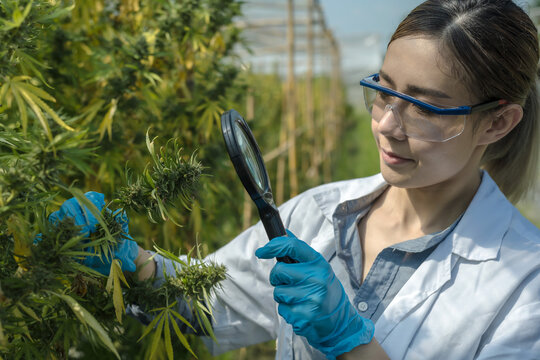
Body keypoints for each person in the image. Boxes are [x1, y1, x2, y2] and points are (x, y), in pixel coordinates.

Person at [51, 0, 540, 358]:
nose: (388, 124)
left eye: (425, 107)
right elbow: (208, 309)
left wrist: (351, 343)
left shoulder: (524, 285)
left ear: (496, 123)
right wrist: (130, 262)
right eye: (383, 92)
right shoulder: (318, 214)